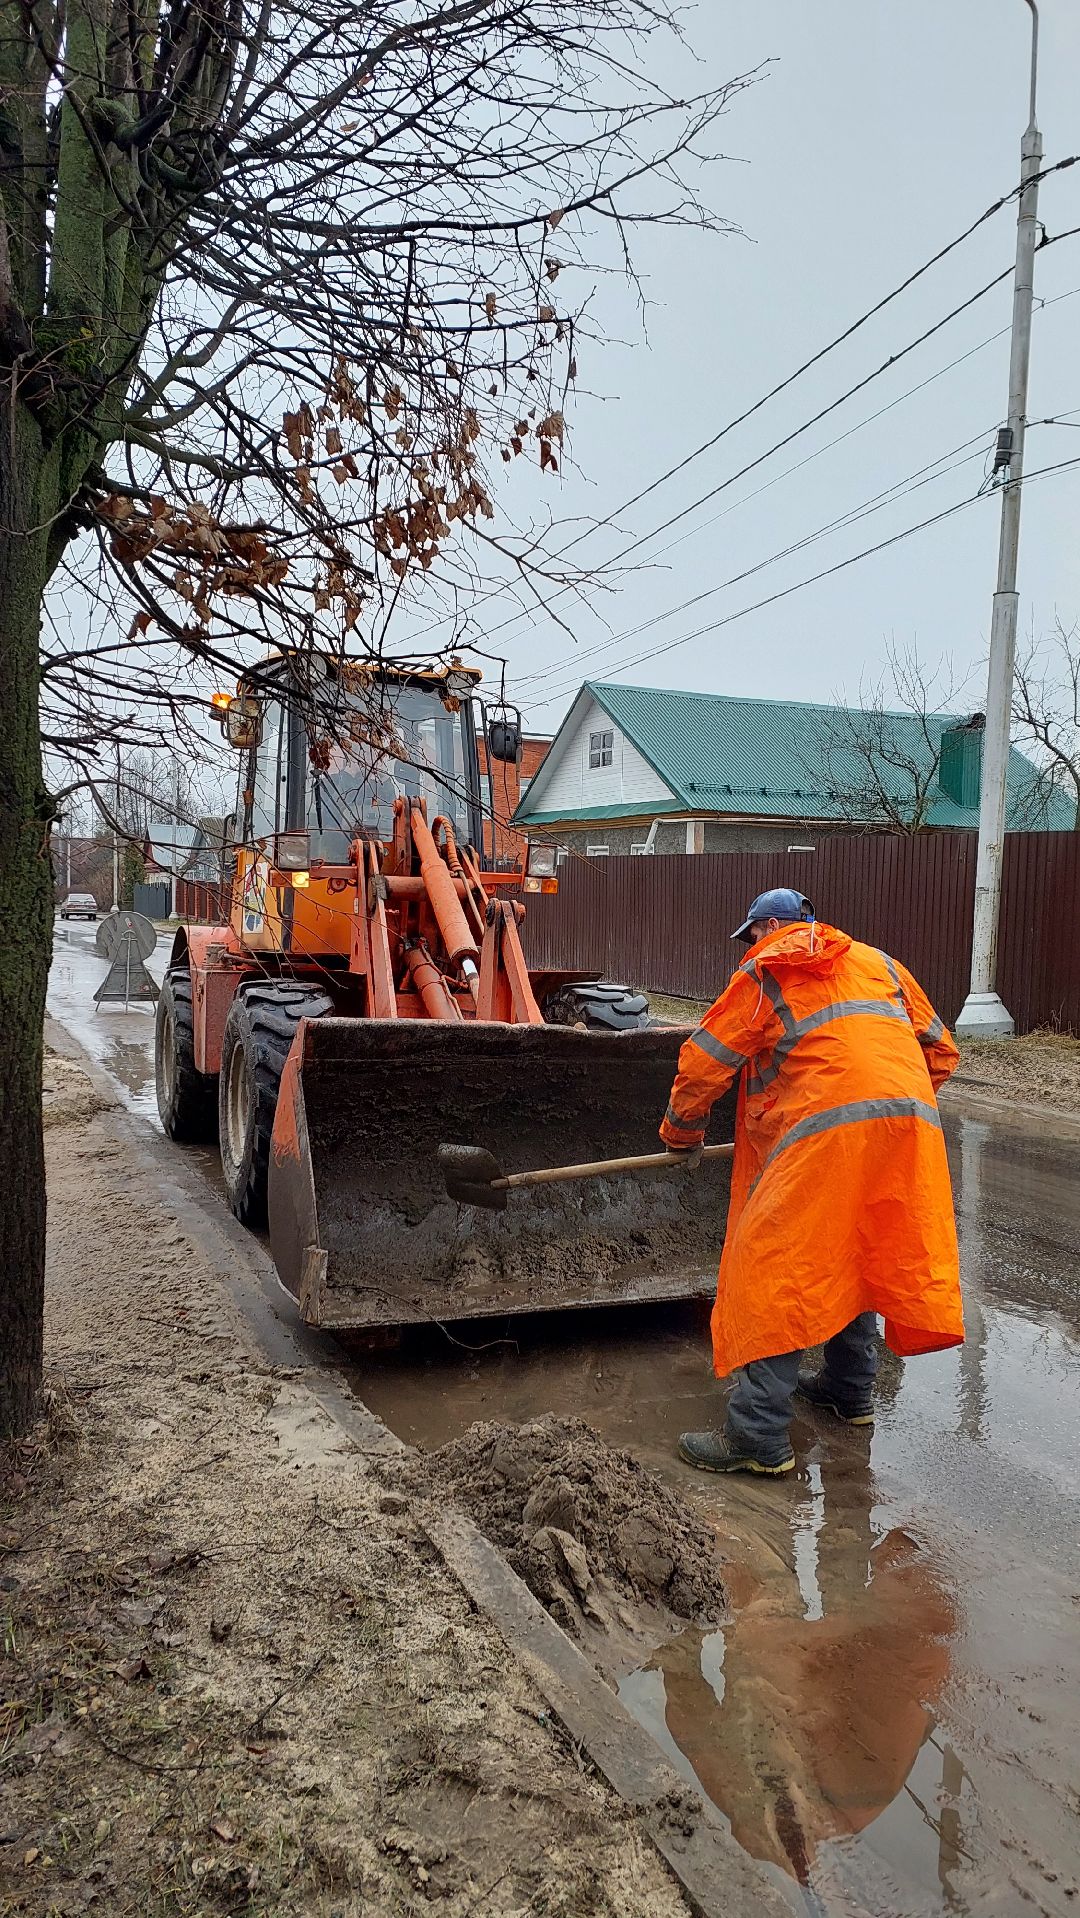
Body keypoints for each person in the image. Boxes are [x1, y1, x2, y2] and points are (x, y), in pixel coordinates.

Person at [660, 887, 963, 1475]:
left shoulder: (769, 970)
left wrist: (681, 1133)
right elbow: (941, 1052)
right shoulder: (882, 965)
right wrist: (882, 1106)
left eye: (750, 935)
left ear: (770, 926)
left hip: (824, 1138)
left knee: (774, 1268)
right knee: (857, 1249)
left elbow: (704, 1062)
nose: (747, 948)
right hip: (908, 1129)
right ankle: (849, 1395)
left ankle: (757, 1437)